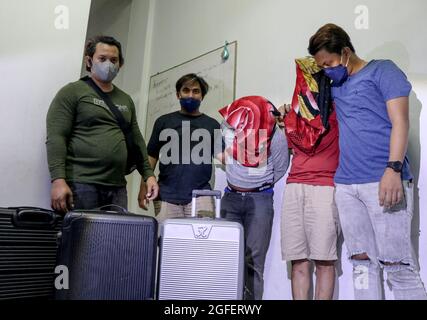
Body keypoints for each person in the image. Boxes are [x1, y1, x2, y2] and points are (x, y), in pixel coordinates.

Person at [308, 23, 426, 300]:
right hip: (347, 186)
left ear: (346, 51)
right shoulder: (335, 84)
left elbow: (401, 122)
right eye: (321, 66)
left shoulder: (383, 71)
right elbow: (306, 75)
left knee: (397, 264)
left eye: (330, 63)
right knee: (361, 264)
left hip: (384, 179)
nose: (327, 70)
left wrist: (394, 169)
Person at [46, 35, 158, 213]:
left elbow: (136, 140)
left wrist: (148, 176)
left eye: (114, 60)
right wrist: (58, 180)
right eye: (102, 59)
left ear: (120, 64)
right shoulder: (72, 92)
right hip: (81, 185)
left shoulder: (126, 100)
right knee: (81, 240)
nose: (109, 64)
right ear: (89, 61)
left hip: (117, 188)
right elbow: (56, 137)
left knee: (115, 240)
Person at [279, 57, 340, 300]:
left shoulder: (338, 106)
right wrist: (286, 121)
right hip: (295, 186)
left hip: (325, 187)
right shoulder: (295, 113)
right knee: (299, 261)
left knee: (324, 261)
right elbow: (290, 148)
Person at [219, 96, 289, 300]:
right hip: (230, 198)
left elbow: (281, 166)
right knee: (227, 258)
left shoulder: (274, 133)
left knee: (253, 262)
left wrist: (259, 183)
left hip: (260, 201)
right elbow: (219, 151)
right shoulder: (228, 127)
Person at [144, 74, 222, 222]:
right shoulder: (163, 122)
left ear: (202, 96)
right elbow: (151, 156)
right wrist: (145, 185)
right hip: (166, 196)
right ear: (178, 94)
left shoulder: (212, 125)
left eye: (196, 91)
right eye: (186, 90)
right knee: (167, 243)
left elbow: (223, 156)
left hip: (201, 196)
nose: (190, 95)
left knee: (200, 243)